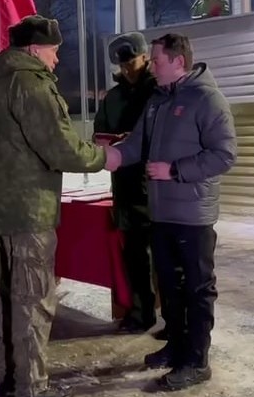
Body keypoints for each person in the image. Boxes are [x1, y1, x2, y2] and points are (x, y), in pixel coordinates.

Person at [0, 15, 113, 397]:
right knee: (32, 301)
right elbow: (59, 147)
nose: (56, 60)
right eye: (53, 51)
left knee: (2, 300)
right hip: (27, 212)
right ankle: (31, 388)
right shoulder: (31, 84)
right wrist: (104, 157)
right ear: (34, 49)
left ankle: (2, 382)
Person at [106, 33, 237, 390]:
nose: (152, 66)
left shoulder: (207, 99)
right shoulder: (159, 100)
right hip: (161, 211)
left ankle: (197, 360)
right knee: (169, 285)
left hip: (193, 213)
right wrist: (111, 155)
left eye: (157, 60)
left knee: (197, 287)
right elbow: (137, 143)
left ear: (178, 61)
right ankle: (176, 346)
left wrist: (175, 170)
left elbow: (225, 155)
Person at [94, 32, 158, 333]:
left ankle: (174, 319)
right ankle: (140, 313)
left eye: (132, 62)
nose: (128, 69)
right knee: (134, 255)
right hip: (124, 185)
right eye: (122, 65)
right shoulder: (113, 98)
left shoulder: (159, 91)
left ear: (145, 57)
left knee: (165, 258)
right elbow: (99, 132)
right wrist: (106, 142)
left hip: (157, 186)